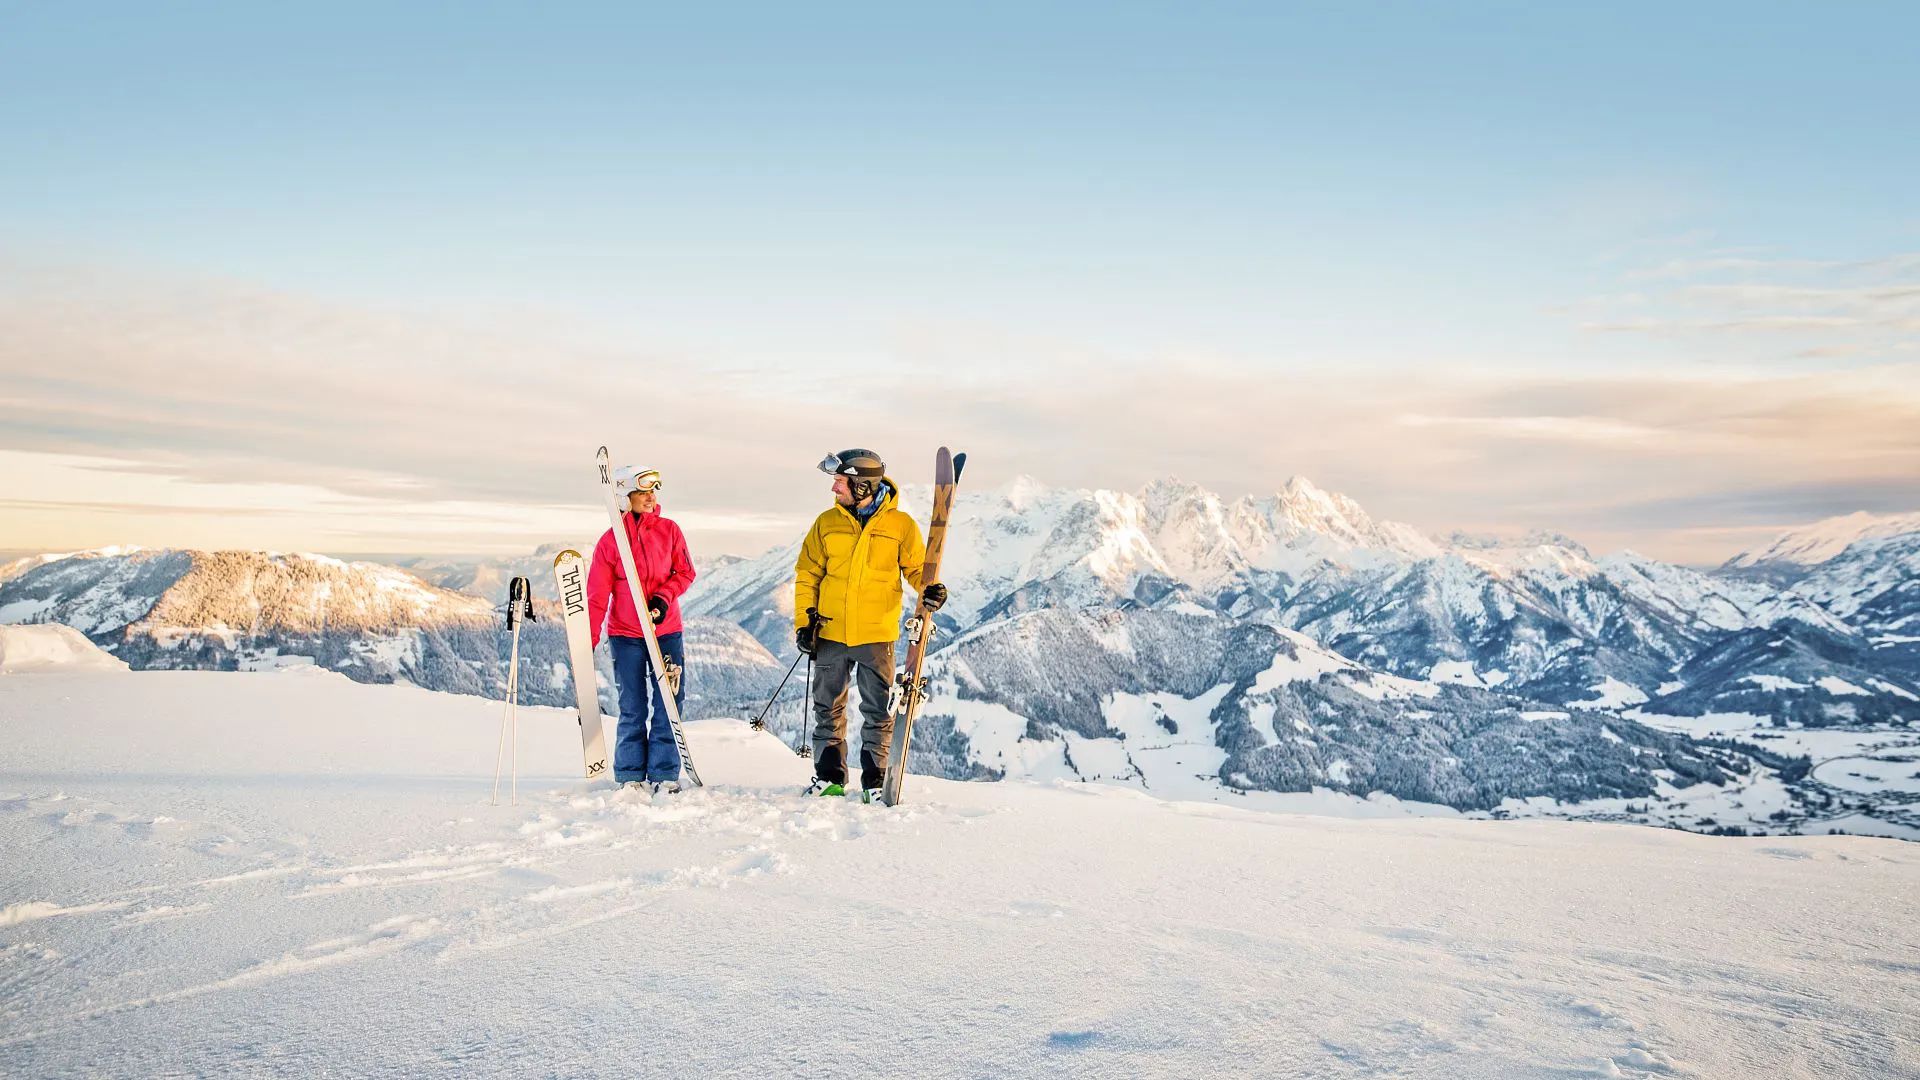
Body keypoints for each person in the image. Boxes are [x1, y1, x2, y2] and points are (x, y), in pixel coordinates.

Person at [793, 449, 948, 802]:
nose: (834, 489)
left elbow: (916, 571)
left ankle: (875, 783)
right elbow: (808, 575)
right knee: (827, 707)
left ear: (862, 486)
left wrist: (931, 592)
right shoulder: (826, 523)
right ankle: (829, 778)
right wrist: (805, 622)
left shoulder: (900, 526)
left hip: (877, 636)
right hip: (830, 632)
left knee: (878, 711)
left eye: (840, 482)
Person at [588, 466, 696, 793]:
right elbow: (596, 596)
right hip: (626, 635)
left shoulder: (670, 531)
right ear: (624, 497)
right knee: (632, 705)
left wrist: (662, 599)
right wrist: (587, 641)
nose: (650, 498)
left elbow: (686, 572)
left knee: (668, 703)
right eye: (642, 492)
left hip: (665, 632)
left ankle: (664, 773)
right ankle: (630, 774)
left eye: (653, 492)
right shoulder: (610, 543)